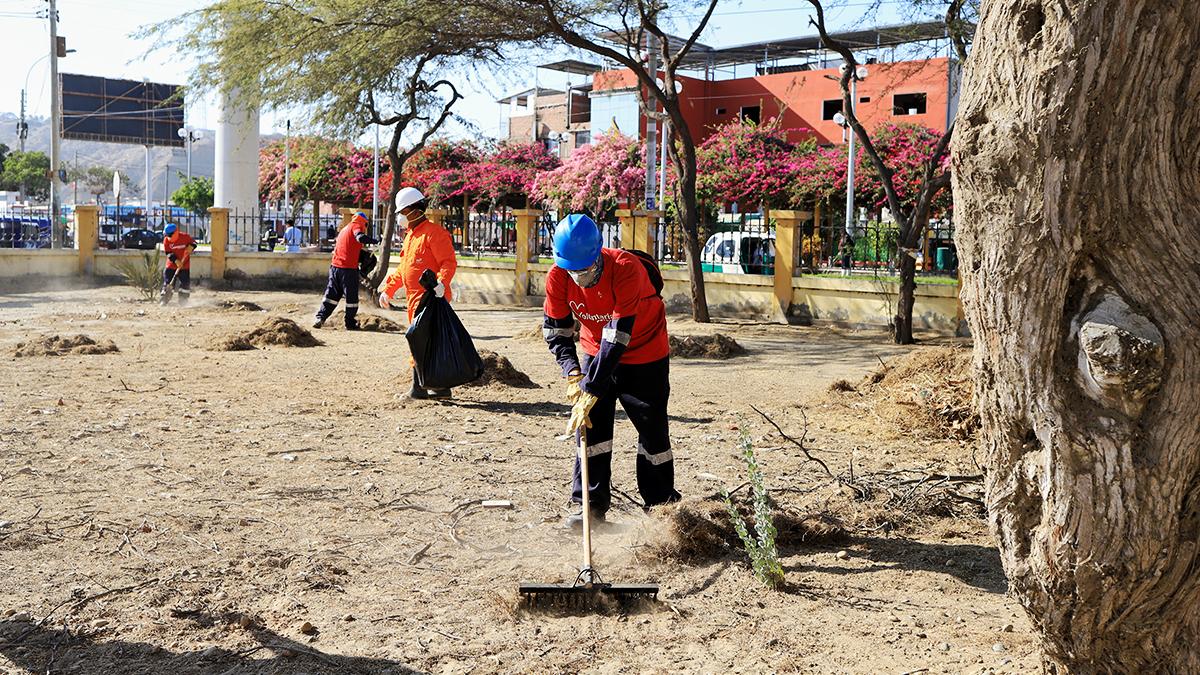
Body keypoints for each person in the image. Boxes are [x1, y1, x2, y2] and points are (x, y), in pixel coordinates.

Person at [543, 214, 679, 529]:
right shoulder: (559, 275)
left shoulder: (625, 269)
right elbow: (556, 331)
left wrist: (592, 389)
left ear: (598, 258)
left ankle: (661, 508)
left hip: (644, 352)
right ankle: (587, 507)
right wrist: (574, 373)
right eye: (572, 271)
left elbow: (618, 336)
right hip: (594, 350)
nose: (580, 279)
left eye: (586, 271)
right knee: (591, 430)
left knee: (652, 431)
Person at [379, 187, 457, 399]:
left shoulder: (435, 234)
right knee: (424, 341)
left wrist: (442, 283)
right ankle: (439, 388)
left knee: (421, 340)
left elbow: (448, 262)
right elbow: (404, 268)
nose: (400, 218)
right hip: (414, 299)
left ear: (414, 210)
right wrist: (389, 289)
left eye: (402, 212)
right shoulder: (411, 237)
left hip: (432, 299)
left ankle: (419, 389)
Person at [313, 211, 378, 331]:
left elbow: (350, 248)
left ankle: (320, 318)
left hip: (335, 268)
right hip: (348, 270)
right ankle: (350, 323)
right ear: (364, 222)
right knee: (351, 299)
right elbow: (360, 237)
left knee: (331, 295)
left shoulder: (345, 229)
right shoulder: (357, 225)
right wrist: (375, 241)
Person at [160, 223, 198, 305]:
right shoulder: (166, 240)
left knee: (185, 284)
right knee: (168, 282)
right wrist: (176, 261)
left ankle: (183, 301)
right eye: (167, 235)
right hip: (171, 265)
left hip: (185, 266)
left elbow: (194, 243)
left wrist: (191, 246)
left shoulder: (185, 237)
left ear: (176, 232)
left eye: (170, 235)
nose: (168, 237)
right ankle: (164, 300)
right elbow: (169, 253)